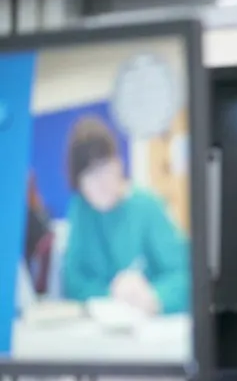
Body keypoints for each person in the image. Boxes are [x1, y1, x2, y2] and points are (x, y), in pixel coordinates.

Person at [59, 116, 189, 315]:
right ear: (78, 183)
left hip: (152, 322)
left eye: (105, 168)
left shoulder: (148, 206)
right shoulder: (80, 210)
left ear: (119, 165)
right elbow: (72, 281)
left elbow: (186, 275)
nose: (100, 182)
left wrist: (155, 297)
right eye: (89, 175)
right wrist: (110, 294)